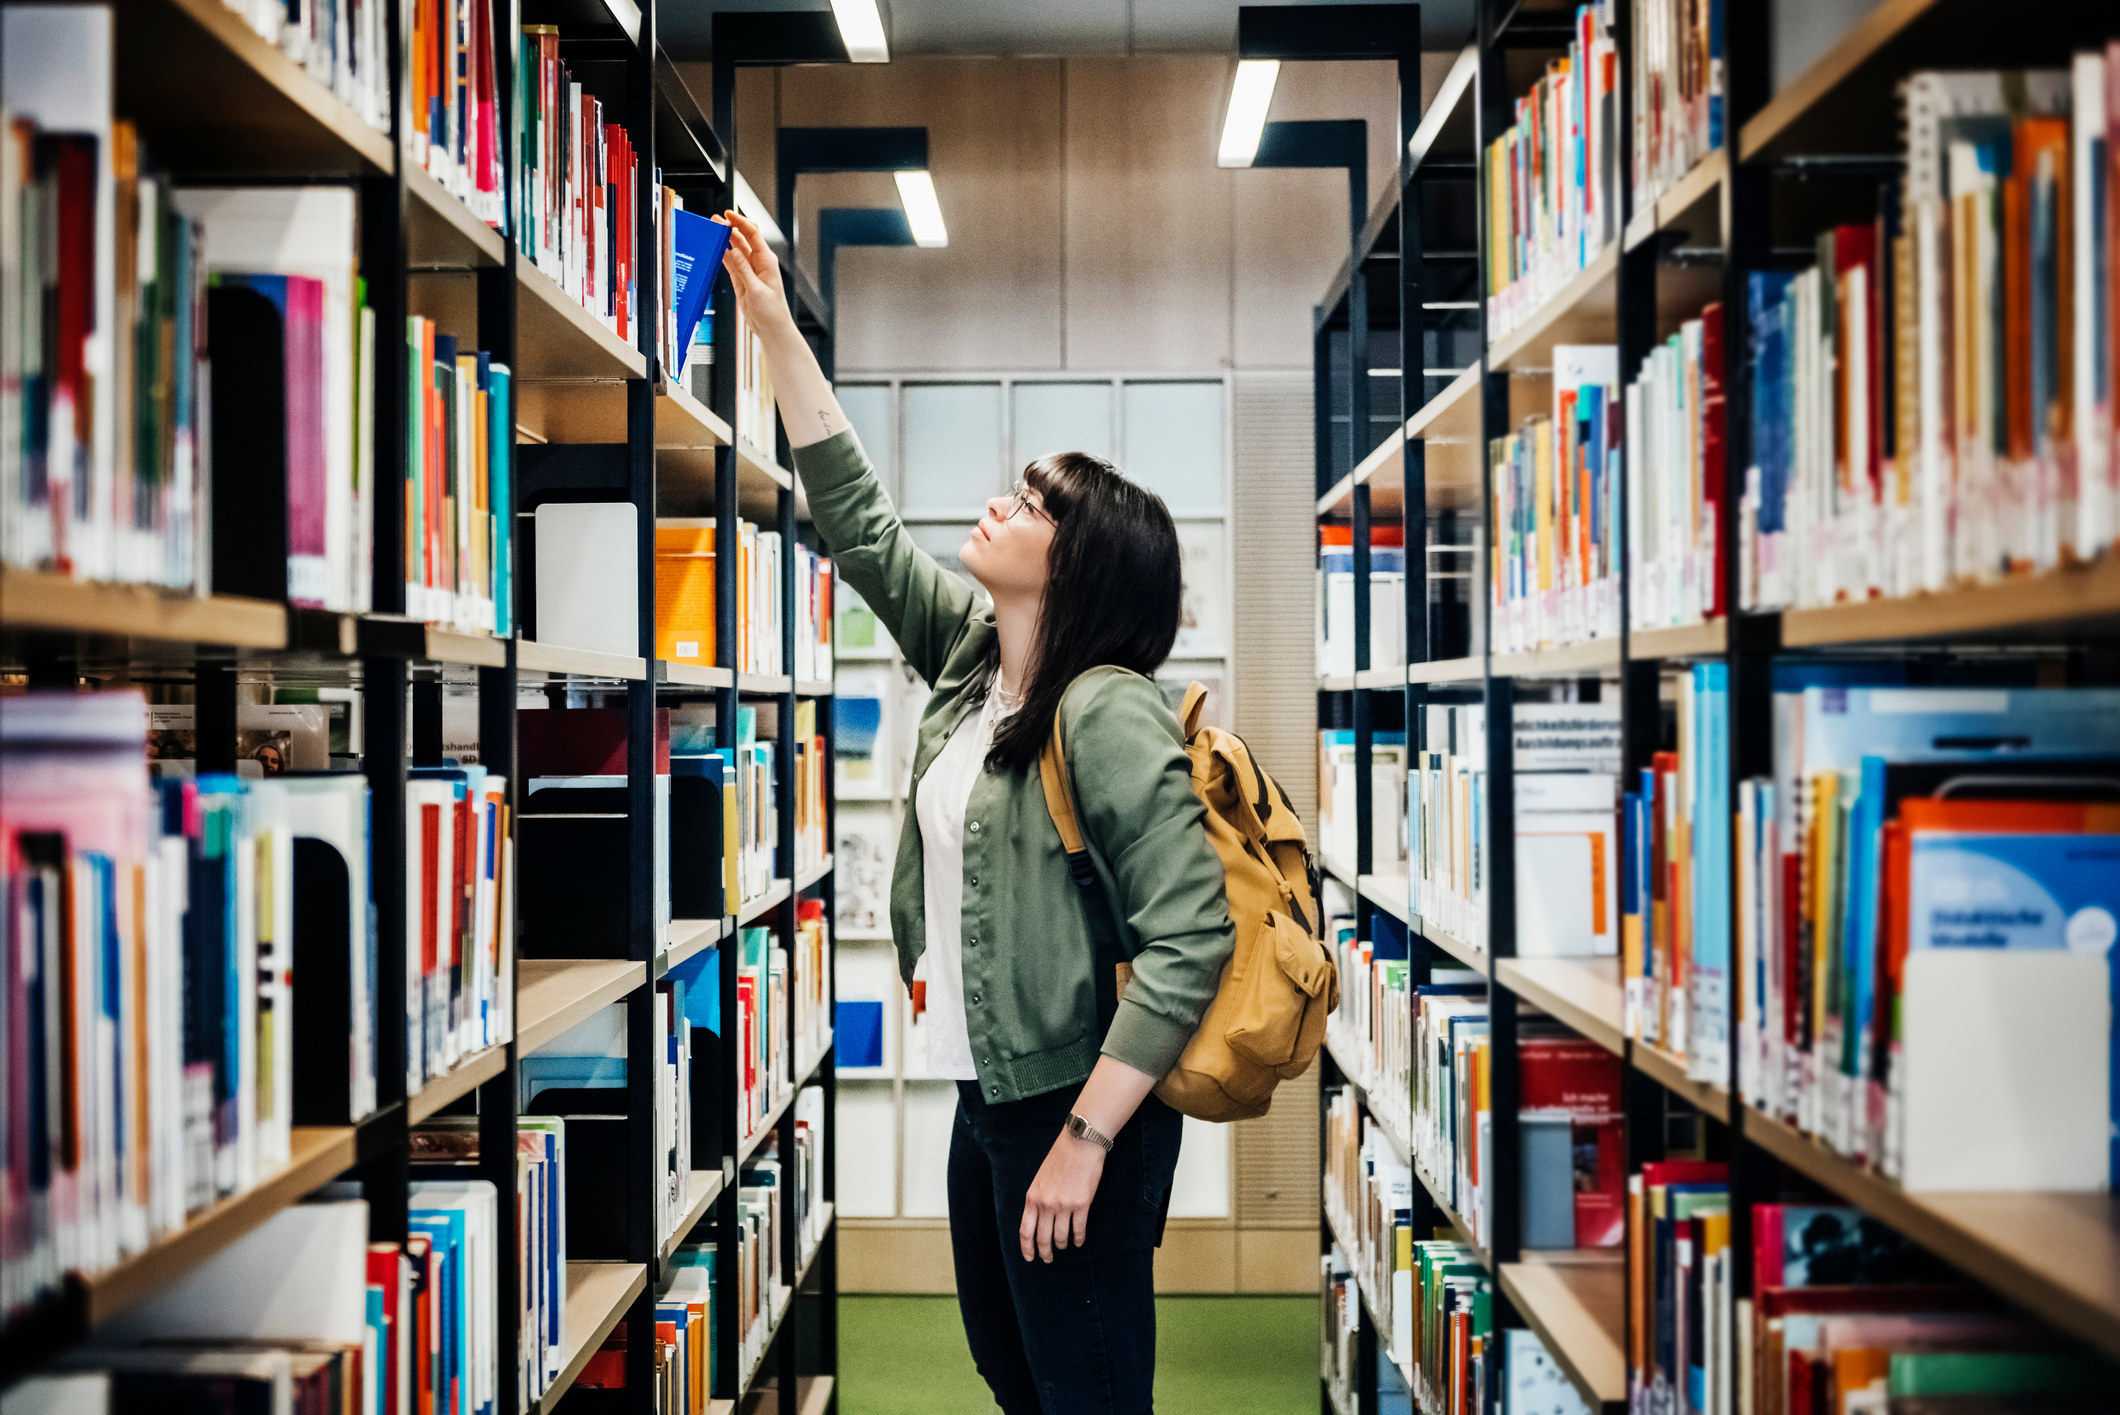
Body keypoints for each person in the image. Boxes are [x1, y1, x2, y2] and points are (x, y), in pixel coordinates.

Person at [720, 211, 1235, 1415]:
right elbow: (859, 527)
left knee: (1087, 1391)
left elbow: (1191, 938)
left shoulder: (1105, 707)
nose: (998, 506)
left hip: (1072, 1103)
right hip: (983, 1090)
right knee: (1017, 1375)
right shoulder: (971, 663)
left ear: (1082, 563)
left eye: (1031, 502)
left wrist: (1087, 1139)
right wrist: (775, 334)